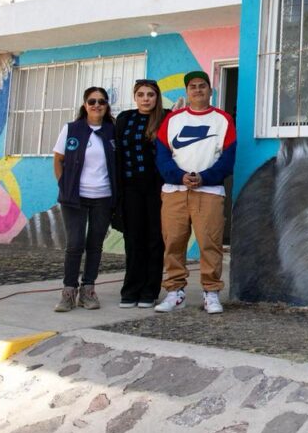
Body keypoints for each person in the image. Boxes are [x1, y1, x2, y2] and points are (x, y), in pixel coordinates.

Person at [154, 70, 236, 314]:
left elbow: (228, 158)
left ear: (211, 91)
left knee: (210, 244)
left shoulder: (222, 120)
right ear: (187, 92)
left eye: (203, 86)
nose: (198, 90)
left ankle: (211, 293)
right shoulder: (173, 120)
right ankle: (174, 292)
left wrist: (204, 177)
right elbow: (161, 155)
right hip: (174, 191)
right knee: (173, 242)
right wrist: (179, 176)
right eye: (193, 87)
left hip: (209, 192)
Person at [52, 86, 117, 312]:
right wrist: (64, 185)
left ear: (107, 105)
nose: (96, 105)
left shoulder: (112, 131)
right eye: (92, 101)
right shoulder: (71, 129)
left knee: (95, 245)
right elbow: (58, 159)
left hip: (103, 197)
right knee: (75, 243)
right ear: (84, 105)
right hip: (75, 198)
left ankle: (88, 290)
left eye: (101, 101)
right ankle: (68, 291)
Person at [115, 79, 169, 308]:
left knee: (155, 239)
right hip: (129, 188)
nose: (146, 98)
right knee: (133, 238)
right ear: (135, 97)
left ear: (157, 97)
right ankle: (131, 290)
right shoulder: (124, 118)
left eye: (150, 94)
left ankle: (150, 291)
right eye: (141, 94)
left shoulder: (166, 118)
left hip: (157, 188)